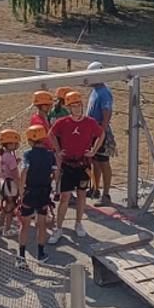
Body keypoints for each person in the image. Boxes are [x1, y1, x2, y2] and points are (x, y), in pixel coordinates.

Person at [50, 89, 103, 244]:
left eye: (79, 105)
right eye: (73, 106)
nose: (77, 108)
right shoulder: (63, 122)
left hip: (83, 164)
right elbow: (51, 134)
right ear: (68, 107)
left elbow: (101, 134)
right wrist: (58, 150)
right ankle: (59, 227)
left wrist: (94, 151)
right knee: (65, 197)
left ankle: (78, 223)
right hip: (67, 164)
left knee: (81, 195)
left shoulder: (90, 122)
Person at [17, 123, 57, 263]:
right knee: (42, 224)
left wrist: (21, 192)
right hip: (44, 193)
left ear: (30, 140)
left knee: (25, 225)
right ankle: (41, 254)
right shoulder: (50, 155)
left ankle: (21, 257)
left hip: (30, 192)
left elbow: (24, 171)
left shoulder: (28, 154)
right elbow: (55, 173)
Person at [83, 62, 117, 201]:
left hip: (99, 131)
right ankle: (95, 189)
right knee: (95, 161)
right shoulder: (96, 91)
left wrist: (101, 133)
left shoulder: (104, 93)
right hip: (93, 131)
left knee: (103, 162)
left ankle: (106, 194)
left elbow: (107, 113)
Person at [0, 128, 23, 239]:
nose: (17, 145)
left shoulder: (2, 155)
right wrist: (21, 187)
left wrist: (15, 162)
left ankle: (0, 225)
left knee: (5, 205)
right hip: (10, 184)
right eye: (15, 143)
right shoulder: (10, 157)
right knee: (10, 207)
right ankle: (7, 229)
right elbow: (15, 174)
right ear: (9, 144)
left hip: (3, 183)